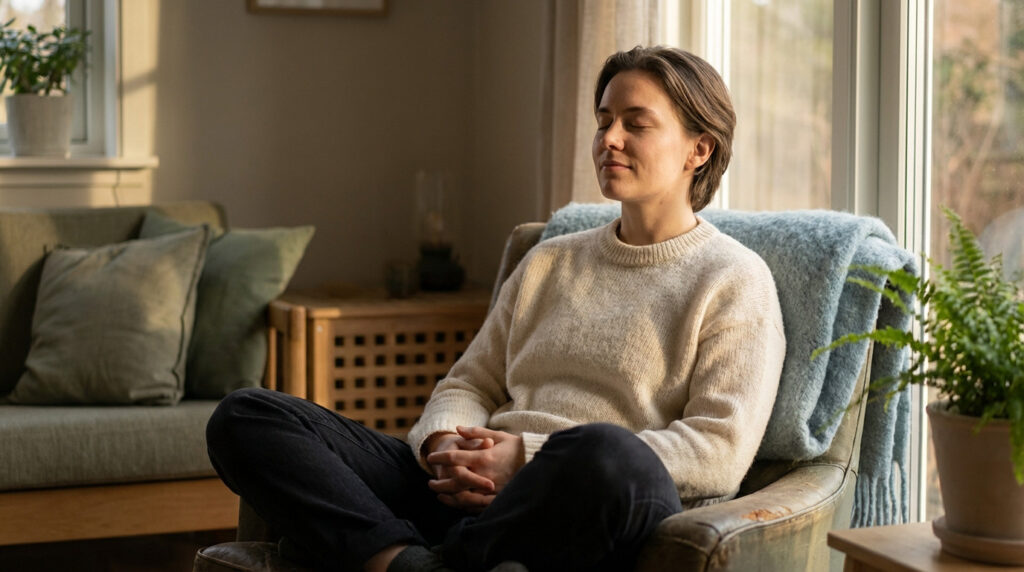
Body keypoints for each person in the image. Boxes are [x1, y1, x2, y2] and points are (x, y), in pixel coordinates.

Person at [207, 46, 786, 572]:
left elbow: (718, 452)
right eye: (604, 121)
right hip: (462, 494)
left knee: (609, 451)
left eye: (636, 124)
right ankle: (400, 561)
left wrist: (525, 459)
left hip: (576, 501)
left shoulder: (734, 279)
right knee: (246, 416)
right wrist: (443, 447)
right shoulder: (549, 260)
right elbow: (468, 384)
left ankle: (443, 557)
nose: (608, 139)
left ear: (699, 149)